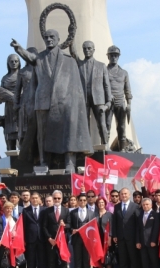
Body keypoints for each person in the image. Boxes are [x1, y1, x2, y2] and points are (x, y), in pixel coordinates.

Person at [10, 29, 93, 170]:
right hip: (43, 101)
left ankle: (69, 162)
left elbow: (76, 87)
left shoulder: (69, 60)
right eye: (46, 37)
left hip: (63, 102)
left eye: (52, 37)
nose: (49, 39)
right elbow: (30, 57)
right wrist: (19, 49)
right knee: (42, 135)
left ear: (58, 39)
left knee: (68, 132)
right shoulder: (39, 58)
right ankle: (43, 162)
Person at [70, 40, 112, 144]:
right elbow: (73, 52)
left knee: (102, 124)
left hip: (98, 99)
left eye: (89, 48)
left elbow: (106, 85)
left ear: (93, 50)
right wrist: (71, 38)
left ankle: (105, 145)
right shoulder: (79, 64)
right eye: (84, 48)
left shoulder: (101, 66)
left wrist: (108, 102)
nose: (87, 50)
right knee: (84, 125)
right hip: (84, 99)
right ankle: (86, 146)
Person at [105, 45, 132, 151]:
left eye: (116, 55)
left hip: (120, 102)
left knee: (121, 127)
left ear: (118, 57)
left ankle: (122, 149)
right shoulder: (104, 71)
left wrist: (129, 104)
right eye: (111, 55)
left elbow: (128, 90)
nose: (114, 57)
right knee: (106, 126)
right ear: (108, 56)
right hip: (108, 102)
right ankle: (105, 147)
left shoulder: (124, 73)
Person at [112, 188, 141, 268]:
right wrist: (115, 235)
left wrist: (137, 238)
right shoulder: (117, 207)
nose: (124, 195)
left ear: (129, 195)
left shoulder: (135, 206)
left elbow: (138, 224)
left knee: (133, 258)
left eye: (125, 194)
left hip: (131, 237)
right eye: (122, 194)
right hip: (120, 237)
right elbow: (114, 222)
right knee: (123, 258)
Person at [43, 191, 70, 268]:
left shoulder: (66, 210)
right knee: (51, 260)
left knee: (63, 260)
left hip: (62, 240)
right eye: (55, 198)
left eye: (59, 198)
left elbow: (70, 224)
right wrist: (49, 238)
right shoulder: (47, 211)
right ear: (53, 199)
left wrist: (65, 225)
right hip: (51, 241)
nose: (57, 200)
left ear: (62, 199)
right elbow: (44, 226)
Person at [67, 194, 92, 268]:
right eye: (80, 200)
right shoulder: (73, 212)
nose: (82, 202)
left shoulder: (91, 213)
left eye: (84, 200)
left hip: (87, 240)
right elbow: (69, 225)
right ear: (78, 201)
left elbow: (93, 227)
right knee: (77, 259)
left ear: (86, 201)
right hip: (76, 239)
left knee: (86, 259)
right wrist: (71, 230)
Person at [22, 192, 45, 268]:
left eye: (36, 198)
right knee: (30, 261)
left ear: (40, 199)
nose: (35, 200)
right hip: (30, 239)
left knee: (41, 260)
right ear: (30, 199)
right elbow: (23, 225)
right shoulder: (25, 210)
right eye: (33, 198)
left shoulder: (44, 210)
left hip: (41, 238)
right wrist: (23, 239)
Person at [136, 199, 160, 268]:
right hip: (142, 242)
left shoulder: (155, 215)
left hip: (151, 241)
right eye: (144, 205)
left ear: (150, 205)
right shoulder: (140, 214)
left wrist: (154, 240)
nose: (145, 206)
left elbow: (156, 229)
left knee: (153, 261)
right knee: (144, 261)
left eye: (147, 204)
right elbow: (138, 229)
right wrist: (138, 241)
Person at [95, 198, 113, 268]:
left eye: (102, 202)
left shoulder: (109, 215)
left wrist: (110, 238)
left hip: (107, 239)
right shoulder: (94, 215)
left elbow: (112, 227)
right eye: (99, 202)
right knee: (100, 258)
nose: (101, 204)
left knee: (108, 258)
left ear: (105, 203)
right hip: (98, 239)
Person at [0, 202, 18, 268]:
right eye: (7, 208)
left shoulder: (14, 218)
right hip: (5, 243)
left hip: (13, 244)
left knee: (13, 262)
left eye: (10, 208)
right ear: (3, 209)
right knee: (5, 263)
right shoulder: (1, 218)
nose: (9, 210)